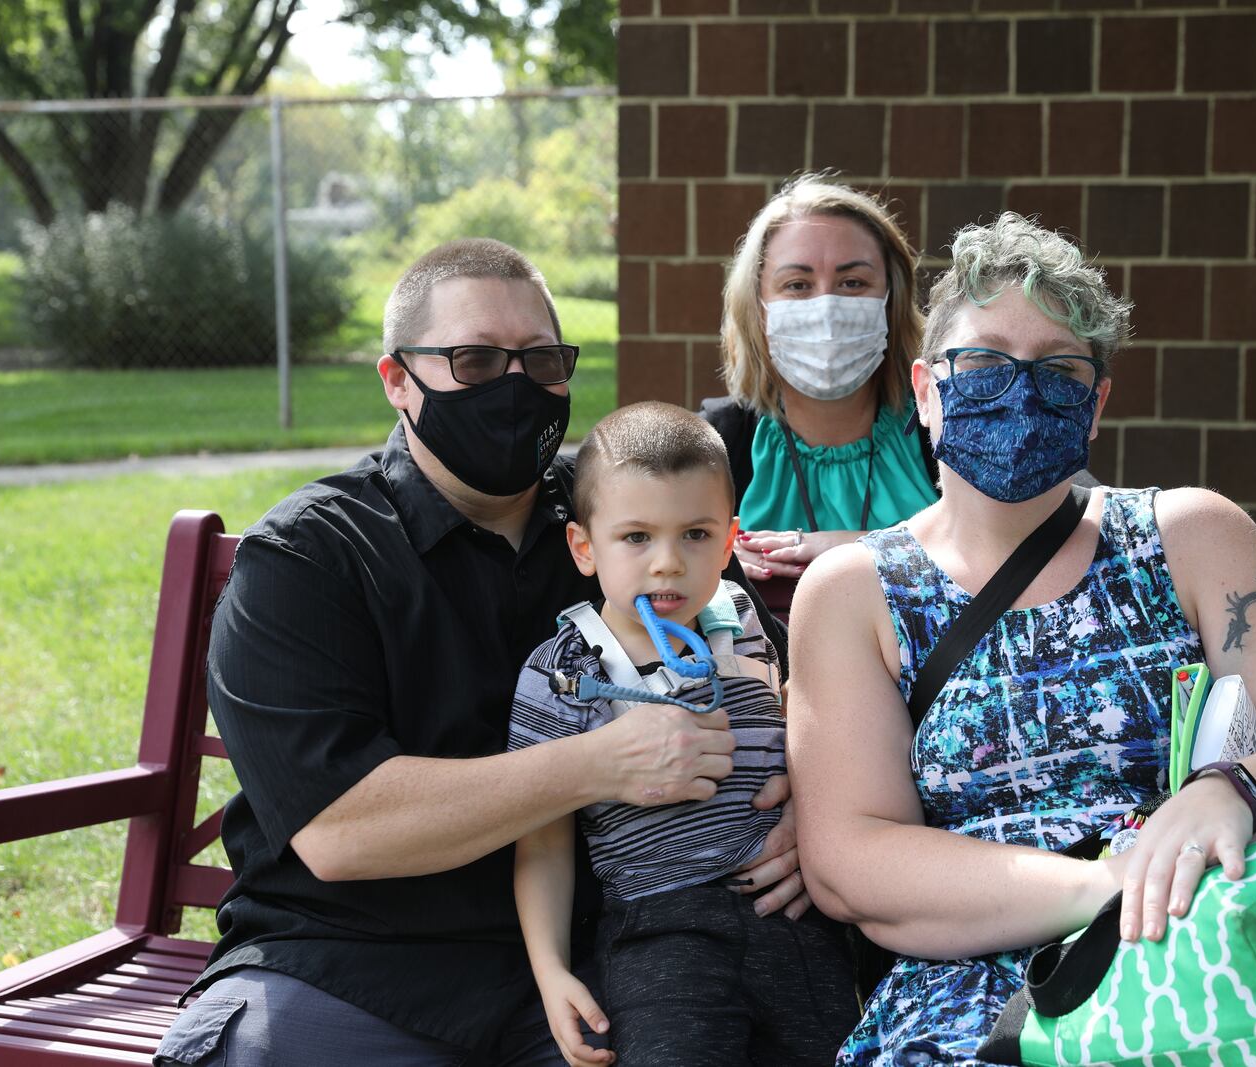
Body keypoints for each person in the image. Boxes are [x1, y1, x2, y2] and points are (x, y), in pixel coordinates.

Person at [154, 239, 805, 1066]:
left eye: (540, 360)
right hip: (347, 964)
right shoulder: (309, 558)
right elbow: (342, 828)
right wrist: (598, 763)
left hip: (600, 966)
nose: (515, 386)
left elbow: (780, 677)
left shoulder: (628, 520)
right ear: (398, 380)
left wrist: (805, 806)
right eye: (474, 359)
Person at [784, 213, 1256, 1063]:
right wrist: (1105, 885)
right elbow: (852, 861)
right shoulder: (855, 591)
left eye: (1060, 370)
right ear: (927, 389)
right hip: (974, 1003)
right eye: (986, 361)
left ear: (1097, 402)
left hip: (1200, 964)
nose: (1021, 390)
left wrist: (1236, 791)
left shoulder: (1189, 536)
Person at [509, 401, 857, 1067]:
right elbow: (543, 845)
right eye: (636, 537)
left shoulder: (747, 625)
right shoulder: (564, 672)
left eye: (694, 535)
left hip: (791, 920)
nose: (667, 563)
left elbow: (801, 731)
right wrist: (551, 973)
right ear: (585, 547)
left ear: (729, 542)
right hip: (661, 934)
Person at [700, 175, 940, 587]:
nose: (827, 306)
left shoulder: (943, 431)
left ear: (891, 301)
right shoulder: (716, 444)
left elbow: (1001, 548)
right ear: (758, 309)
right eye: (797, 285)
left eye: (853, 283)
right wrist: (702, 552)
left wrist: (862, 550)